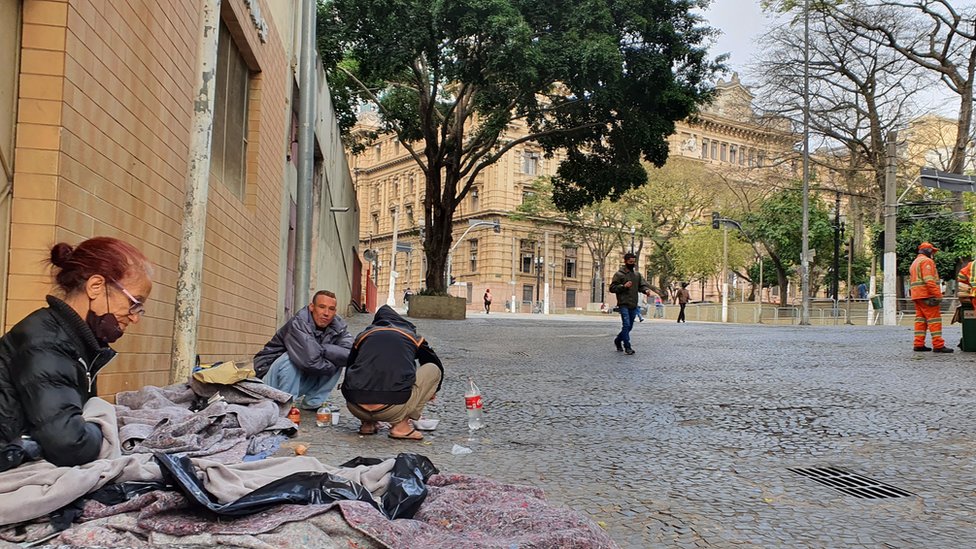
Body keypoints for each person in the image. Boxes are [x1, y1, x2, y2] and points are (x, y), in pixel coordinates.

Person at [0, 237, 152, 472]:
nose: (135, 317)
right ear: (95, 287)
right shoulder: (46, 342)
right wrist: (104, 428)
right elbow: (69, 443)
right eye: (134, 303)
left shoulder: (77, 341)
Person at [342, 305, 444, 440]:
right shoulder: (412, 336)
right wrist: (431, 391)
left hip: (355, 406)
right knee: (433, 369)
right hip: (392, 409)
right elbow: (434, 364)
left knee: (364, 372)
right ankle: (401, 426)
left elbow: (350, 367)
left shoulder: (364, 336)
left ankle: (367, 424)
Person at [254, 290, 354, 408]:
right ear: (312, 307)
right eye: (322, 307)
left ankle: (314, 402)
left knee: (338, 357)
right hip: (269, 379)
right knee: (290, 358)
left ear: (335, 311)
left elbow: (350, 353)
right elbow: (309, 361)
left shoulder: (339, 327)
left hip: (300, 377)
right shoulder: (298, 323)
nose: (326, 313)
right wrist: (329, 357)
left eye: (331, 309)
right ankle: (284, 404)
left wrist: (324, 350)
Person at [909, 242, 952, 353]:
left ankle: (918, 344)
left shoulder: (915, 262)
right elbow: (929, 280)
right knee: (934, 320)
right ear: (928, 251)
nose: (933, 254)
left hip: (917, 295)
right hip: (927, 295)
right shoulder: (927, 261)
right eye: (932, 251)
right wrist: (938, 295)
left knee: (921, 320)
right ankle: (938, 345)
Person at [609, 252, 651, 355]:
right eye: (630, 262)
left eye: (634, 262)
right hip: (623, 304)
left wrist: (645, 290)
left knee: (630, 327)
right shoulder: (619, 274)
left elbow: (642, 286)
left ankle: (618, 340)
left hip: (633, 304)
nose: (632, 263)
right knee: (626, 324)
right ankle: (627, 346)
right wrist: (623, 286)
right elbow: (612, 288)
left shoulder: (637, 275)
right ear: (625, 261)